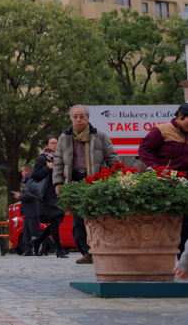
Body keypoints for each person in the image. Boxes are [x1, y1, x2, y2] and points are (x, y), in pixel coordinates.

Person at [54, 105, 118, 264]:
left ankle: (100, 249)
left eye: (81, 116)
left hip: (94, 181)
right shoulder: (64, 138)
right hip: (74, 181)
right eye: (75, 117)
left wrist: (118, 178)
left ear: (87, 118)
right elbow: (58, 163)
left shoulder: (100, 136)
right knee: (78, 218)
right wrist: (58, 182)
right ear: (71, 119)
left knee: (97, 217)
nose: (78, 120)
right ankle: (86, 252)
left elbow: (112, 160)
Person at [137, 102, 188, 253]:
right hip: (169, 183)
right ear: (180, 115)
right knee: (175, 222)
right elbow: (144, 148)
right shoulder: (162, 130)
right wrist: (155, 169)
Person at [31, 137, 66, 258]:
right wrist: (47, 168)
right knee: (55, 221)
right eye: (52, 143)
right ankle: (59, 249)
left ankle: (38, 241)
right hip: (46, 196)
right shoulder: (42, 158)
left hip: (57, 193)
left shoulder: (58, 158)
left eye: (57, 143)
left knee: (55, 222)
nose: (55, 145)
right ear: (46, 145)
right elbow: (34, 175)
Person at [13, 164, 39, 256]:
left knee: (34, 232)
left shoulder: (31, 180)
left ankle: (52, 245)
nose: (21, 173)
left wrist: (20, 196)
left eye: (22, 171)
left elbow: (29, 195)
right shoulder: (28, 180)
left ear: (28, 171)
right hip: (28, 212)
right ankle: (28, 249)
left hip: (32, 211)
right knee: (26, 232)